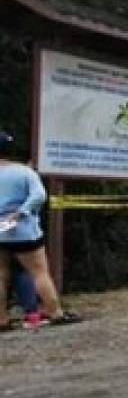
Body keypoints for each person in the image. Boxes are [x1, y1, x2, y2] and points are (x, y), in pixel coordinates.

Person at [0, 130, 78, 328]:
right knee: (39, 272)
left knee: (1, 274)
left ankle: (1, 318)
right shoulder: (24, 172)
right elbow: (39, 196)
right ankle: (55, 312)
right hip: (23, 230)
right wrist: (21, 212)